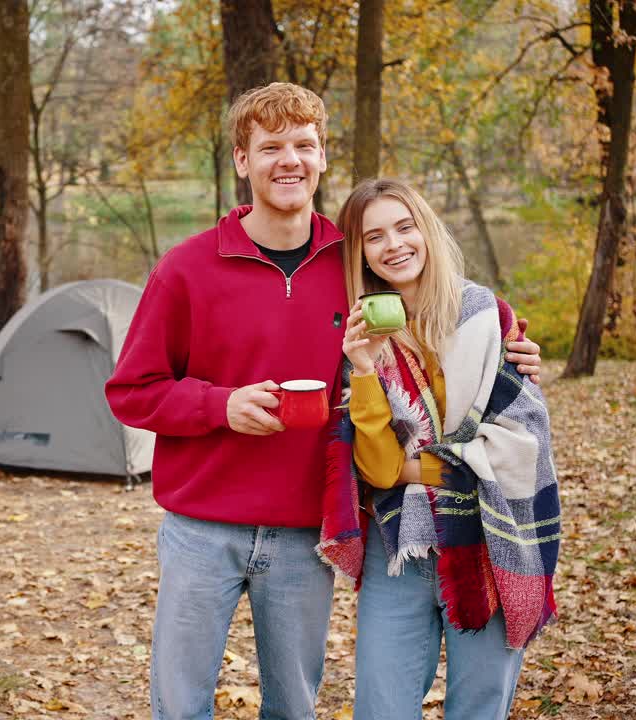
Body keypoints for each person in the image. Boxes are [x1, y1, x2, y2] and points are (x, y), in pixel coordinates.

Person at [105, 83, 543, 720]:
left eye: (304, 145)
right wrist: (218, 406)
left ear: (323, 156)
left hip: (306, 533)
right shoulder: (186, 269)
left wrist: (515, 349)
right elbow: (130, 391)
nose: (289, 160)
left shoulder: (357, 262)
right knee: (180, 706)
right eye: (271, 147)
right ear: (241, 161)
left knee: (294, 709)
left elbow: (440, 317)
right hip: (201, 529)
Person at [323, 178, 561, 719]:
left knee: (479, 707)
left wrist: (417, 467)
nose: (394, 245)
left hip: (489, 539)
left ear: (426, 229)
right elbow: (378, 470)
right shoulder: (362, 336)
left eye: (405, 227)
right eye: (374, 236)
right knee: (380, 709)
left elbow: (521, 442)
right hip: (399, 547)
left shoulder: (486, 316)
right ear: (359, 254)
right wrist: (363, 369)